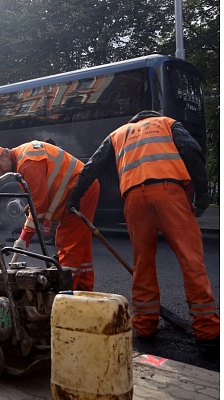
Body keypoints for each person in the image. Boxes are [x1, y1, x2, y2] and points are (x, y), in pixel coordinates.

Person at [67, 110, 219, 345]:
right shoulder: (168, 124)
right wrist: (202, 193)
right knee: (191, 261)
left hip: (134, 199)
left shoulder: (118, 134)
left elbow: (92, 166)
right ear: (152, 117)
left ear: (133, 121)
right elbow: (191, 150)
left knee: (143, 264)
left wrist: (75, 197)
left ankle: (145, 324)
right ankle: (207, 329)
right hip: (170, 194)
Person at [0, 140, 100, 291]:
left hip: (80, 191)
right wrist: (40, 214)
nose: (1, 172)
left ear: (5, 155)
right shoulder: (24, 157)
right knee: (80, 245)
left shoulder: (27, 163)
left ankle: (66, 294)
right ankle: (84, 291)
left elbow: (38, 204)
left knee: (68, 243)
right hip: (81, 188)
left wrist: (23, 238)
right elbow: (43, 192)